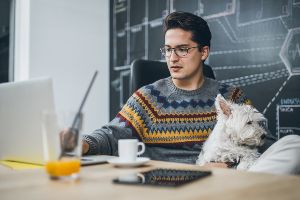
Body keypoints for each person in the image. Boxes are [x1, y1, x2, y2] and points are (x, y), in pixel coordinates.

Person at [82, 11, 300, 175]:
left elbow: (266, 142)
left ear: (204, 52)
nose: (172, 58)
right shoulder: (148, 97)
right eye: (168, 49)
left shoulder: (232, 97)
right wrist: (82, 143)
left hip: (233, 177)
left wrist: (229, 167)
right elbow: (110, 136)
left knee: (294, 144)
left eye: (182, 49)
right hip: (178, 185)